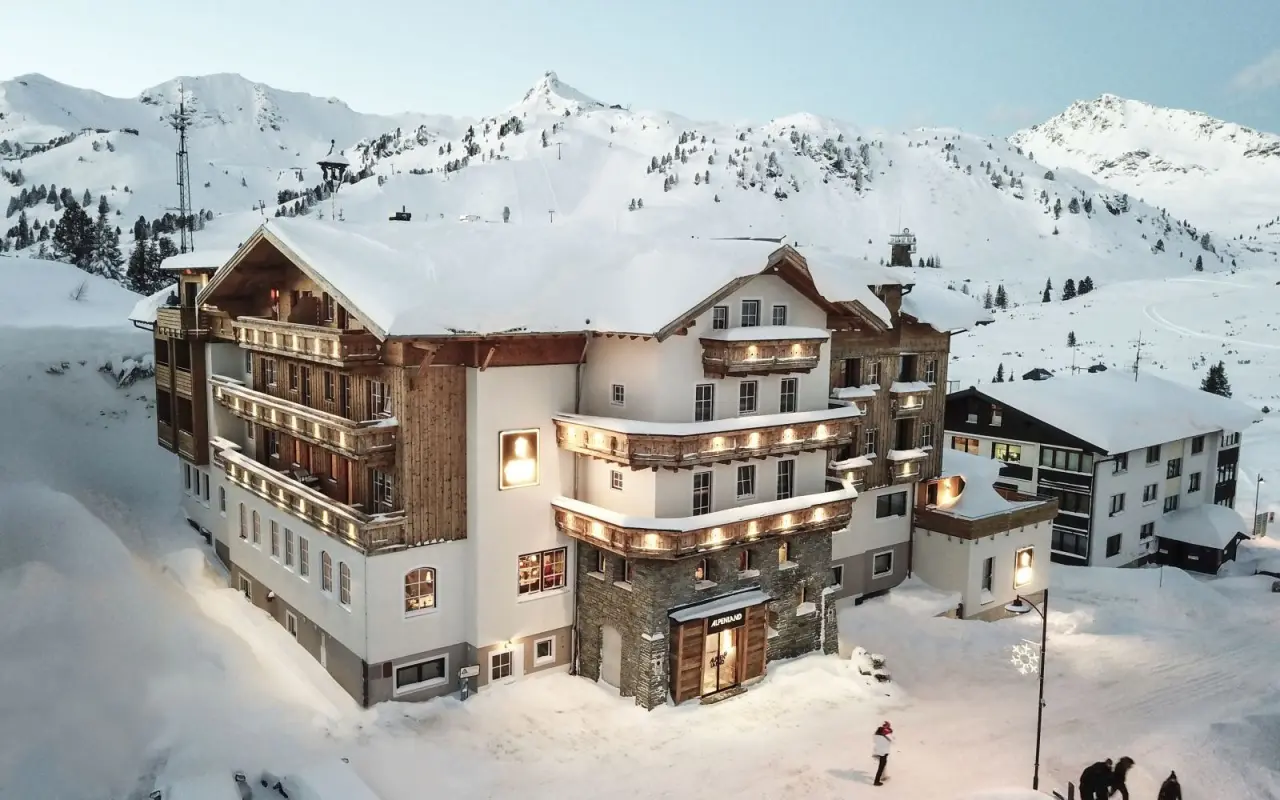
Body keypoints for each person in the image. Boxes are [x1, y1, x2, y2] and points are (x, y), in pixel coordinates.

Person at [871, 721, 893, 786]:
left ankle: (883, 777)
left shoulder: (877, 735)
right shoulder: (884, 735)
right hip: (882, 753)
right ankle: (877, 781)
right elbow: (890, 740)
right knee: (881, 767)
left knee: (883, 766)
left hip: (878, 752)